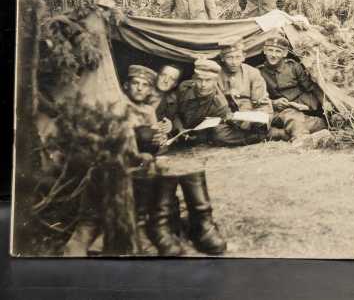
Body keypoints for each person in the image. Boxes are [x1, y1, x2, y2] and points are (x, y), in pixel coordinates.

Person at [62, 65, 161, 256]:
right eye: (135, 83)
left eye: (145, 85)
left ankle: (109, 236)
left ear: (150, 90)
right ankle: (84, 239)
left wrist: (158, 139)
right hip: (109, 162)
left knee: (148, 168)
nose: (140, 88)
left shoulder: (149, 111)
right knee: (92, 214)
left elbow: (149, 144)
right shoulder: (117, 104)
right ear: (126, 86)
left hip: (135, 165)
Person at [148, 58, 228, 256]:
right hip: (174, 137)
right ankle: (164, 223)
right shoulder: (184, 88)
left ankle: (201, 222)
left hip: (197, 139)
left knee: (191, 165)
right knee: (170, 164)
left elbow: (217, 127)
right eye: (199, 80)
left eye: (208, 81)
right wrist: (174, 126)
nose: (202, 85)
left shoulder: (219, 103)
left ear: (215, 81)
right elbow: (171, 111)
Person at [258, 35, 327, 142]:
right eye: (270, 50)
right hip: (279, 111)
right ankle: (301, 138)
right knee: (290, 116)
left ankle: (282, 133)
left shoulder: (293, 67)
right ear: (264, 51)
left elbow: (310, 88)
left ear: (285, 53)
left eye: (278, 51)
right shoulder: (259, 72)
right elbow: (258, 97)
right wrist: (274, 102)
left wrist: (307, 106)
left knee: (320, 123)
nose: (273, 55)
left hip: (301, 107)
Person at [215, 36, 275, 145]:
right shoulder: (216, 75)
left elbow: (262, 102)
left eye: (238, 57)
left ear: (244, 57)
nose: (234, 62)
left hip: (253, 113)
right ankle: (264, 135)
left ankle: (258, 133)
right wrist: (229, 117)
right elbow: (217, 104)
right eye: (229, 57)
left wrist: (253, 116)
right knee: (218, 134)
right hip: (229, 117)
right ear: (222, 58)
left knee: (259, 121)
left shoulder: (252, 72)